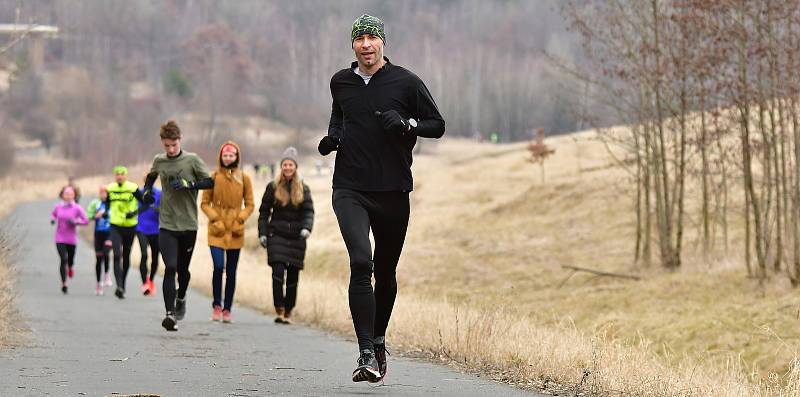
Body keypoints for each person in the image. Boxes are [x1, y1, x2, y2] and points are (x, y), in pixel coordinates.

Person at [317, 14, 445, 383]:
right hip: (350, 188)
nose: (366, 45)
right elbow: (339, 117)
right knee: (361, 262)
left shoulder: (407, 82)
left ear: (382, 43)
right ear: (353, 45)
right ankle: (366, 353)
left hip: (392, 190)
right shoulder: (340, 82)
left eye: (372, 38)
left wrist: (408, 125)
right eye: (360, 39)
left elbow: (437, 124)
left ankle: (378, 337)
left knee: (385, 271)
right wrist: (332, 139)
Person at [142, 120, 214, 332]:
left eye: (174, 145)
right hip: (167, 222)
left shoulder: (192, 160)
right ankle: (169, 314)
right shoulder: (159, 160)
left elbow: (210, 182)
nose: (171, 149)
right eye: (167, 146)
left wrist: (189, 185)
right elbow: (151, 177)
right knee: (170, 267)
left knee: (183, 270)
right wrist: (147, 191)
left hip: (188, 224)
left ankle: (181, 296)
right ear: (162, 144)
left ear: (179, 140)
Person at [257, 147, 314, 325]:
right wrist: (263, 234)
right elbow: (264, 212)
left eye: (290, 164)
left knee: (293, 276)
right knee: (278, 273)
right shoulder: (272, 187)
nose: (287, 167)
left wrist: (306, 228)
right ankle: (279, 309)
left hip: (297, 237)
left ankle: (289, 311)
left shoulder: (303, 188)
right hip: (277, 235)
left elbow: (308, 212)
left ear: (295, 167)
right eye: (285, 164)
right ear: (281, 166)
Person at [201, 141, 254, 323]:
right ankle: (216, 305)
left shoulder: (244, 177)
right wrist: (215, 218)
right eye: (225, 155)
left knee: (231, 271)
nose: (228, 158)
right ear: (221, 157)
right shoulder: (213, 177)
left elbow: (250, 204)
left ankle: (227, 309)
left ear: (236, 157)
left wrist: (240, 219)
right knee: (218, 266)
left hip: (235, 229)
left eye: (231, 155)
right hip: (216, 228)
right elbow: (204, 203)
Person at [107, 165, 145, 299]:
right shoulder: (110, 188)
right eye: (117, 174)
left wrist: (134, 213)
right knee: (117, 255)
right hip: (115, 225)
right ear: (114, 175)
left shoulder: (133, 188)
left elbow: (145, 204)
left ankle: (123, 283)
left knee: (126, 256)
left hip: (130, 226)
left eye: (122, 174)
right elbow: (106, 204)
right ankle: (119, 286)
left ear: (126, 175)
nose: (119, 176)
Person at [50, 187, 88, 294]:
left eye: (70, 194)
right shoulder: (58, 206)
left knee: (70, 260)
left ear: (74, 196)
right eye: (65, 194)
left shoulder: (77, 208)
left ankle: (70, 267)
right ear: (62, 195)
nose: (67, 196)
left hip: (71, 239)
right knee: (63, 259)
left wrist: (76, 221)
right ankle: (64, 283)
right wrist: (53, 220)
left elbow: (86, 221)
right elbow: (53, 214)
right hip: (60, 237)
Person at [86, 186, 113, 295]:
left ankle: (106, 274)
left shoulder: (112, 203)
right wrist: (95, 216)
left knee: (106, 253)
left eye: (105, 193)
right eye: (101, 193)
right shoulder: (95, 203)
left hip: (110, 233)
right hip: (98, 234)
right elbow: (88, 216)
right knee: (98, 259)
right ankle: (98, 284)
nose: (103, 195)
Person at [136, 181, 161, 296]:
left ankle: (151, 280)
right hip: (141, 228)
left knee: (155, 257)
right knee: (144, 254)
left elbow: (163, 209)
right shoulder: (140, 193)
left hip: (156, 229)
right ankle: (145, 283)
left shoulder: (159, 193)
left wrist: (156, 208)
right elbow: (136, 207)